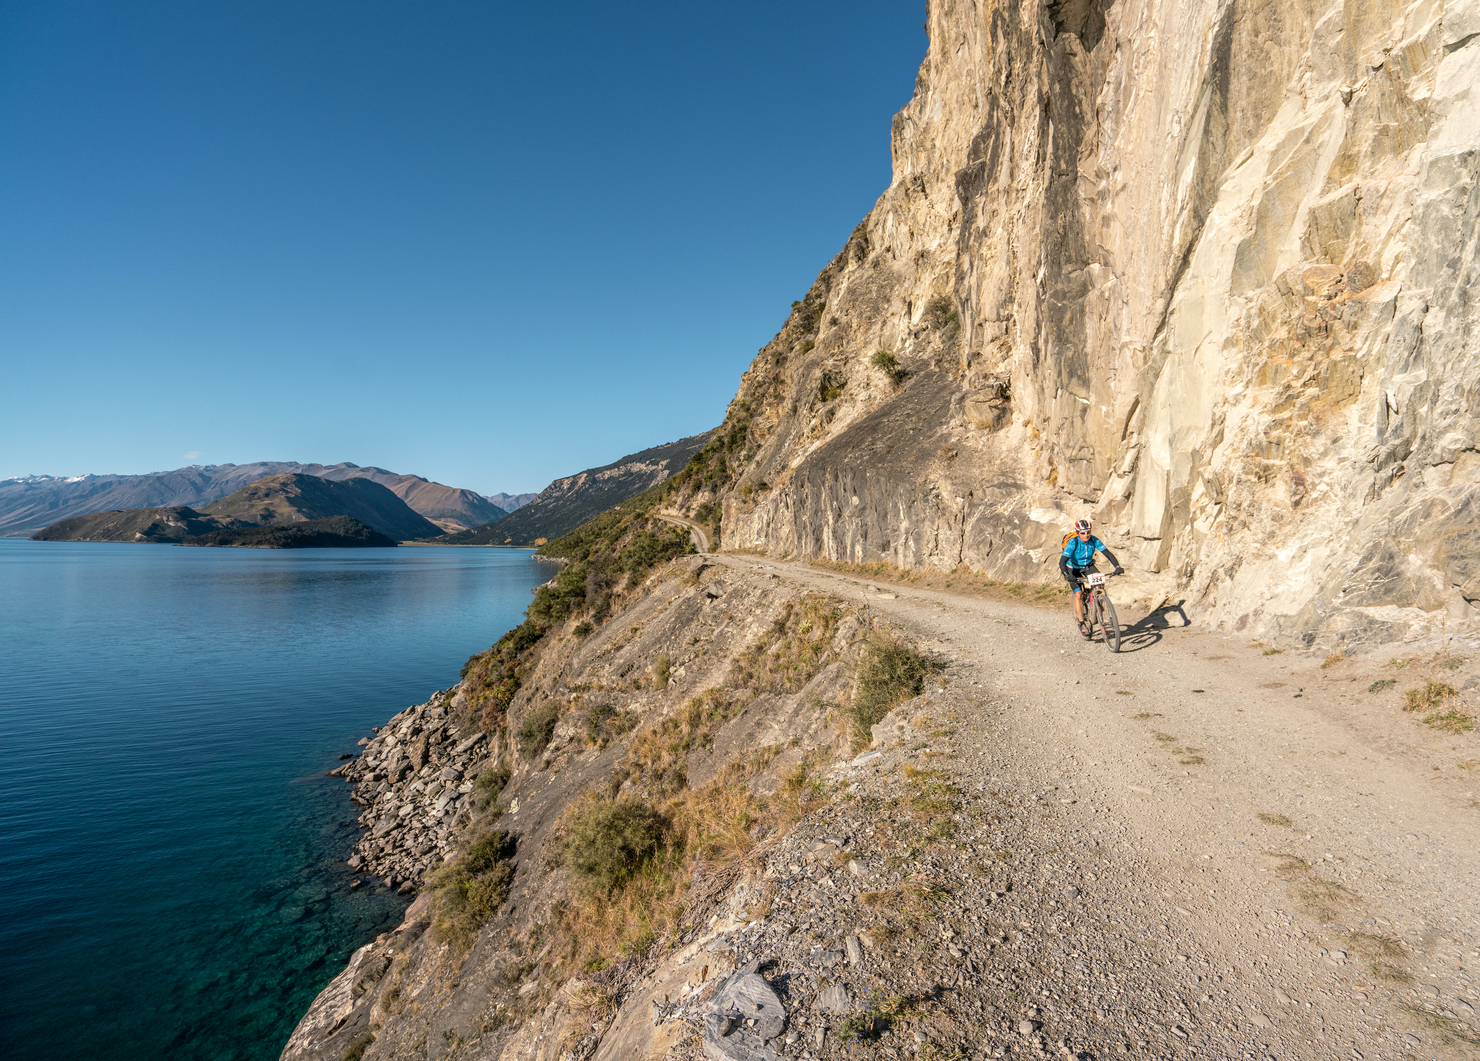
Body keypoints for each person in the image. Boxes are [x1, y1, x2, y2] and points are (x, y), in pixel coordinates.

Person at [1059, 519, 1123, 637]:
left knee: (1100, 585)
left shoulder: (1094, 540)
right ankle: (1082, 622)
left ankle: (1098, 600)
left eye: (1088, 532)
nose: (1086, 535)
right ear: (1078, 533)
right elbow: (1062, 561)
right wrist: (1067, 575)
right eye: (1083, 533)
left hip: (1088, 566)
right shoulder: (1073, 542)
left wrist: (1117, 566)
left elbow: (1107, 553)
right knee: (1078, 594)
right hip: (1072, 568)